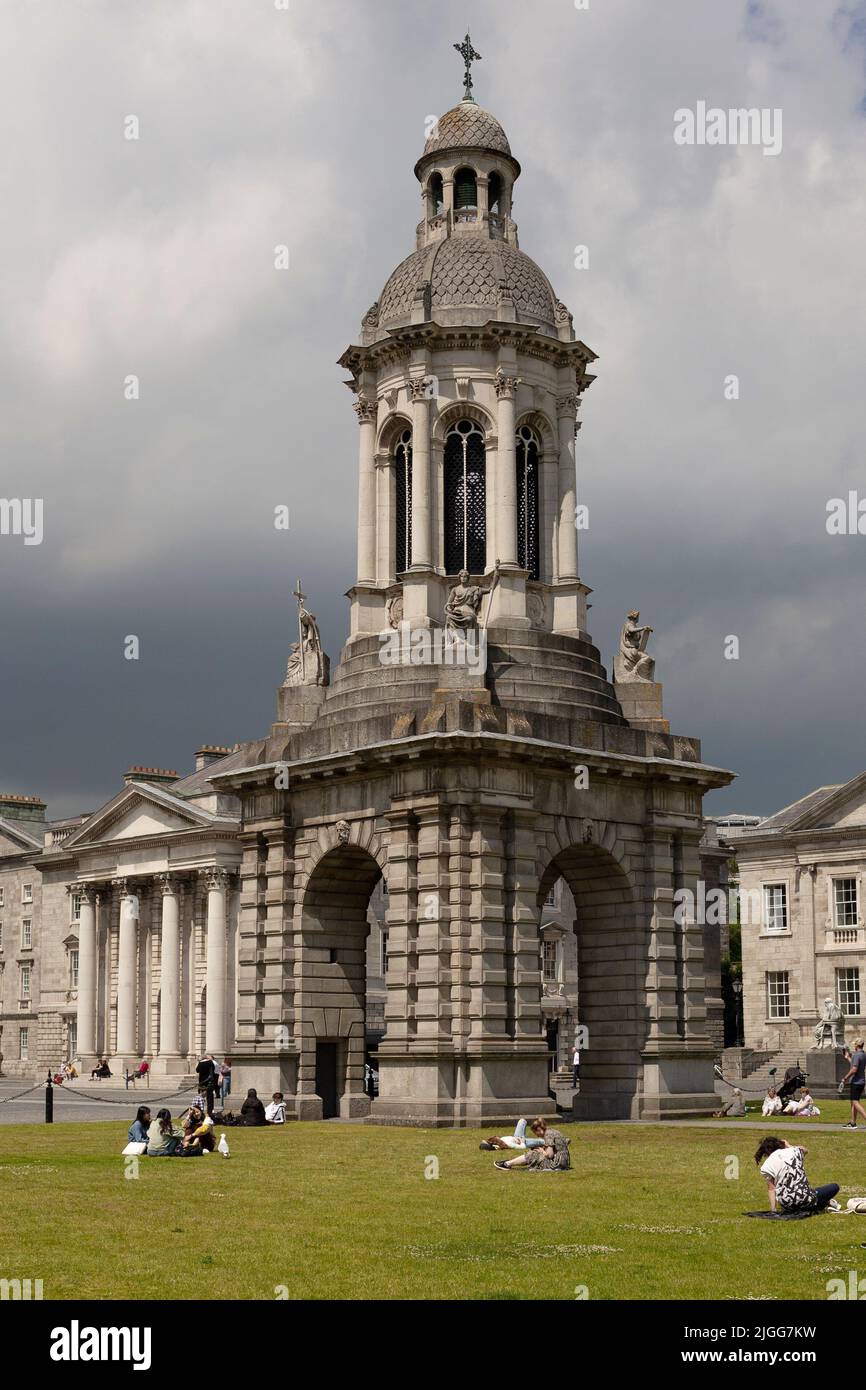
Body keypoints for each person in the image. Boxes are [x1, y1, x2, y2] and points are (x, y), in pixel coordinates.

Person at [755, 1137, 839, 1213]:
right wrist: (789, 1145)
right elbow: (805, 1150)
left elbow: (771, 1189)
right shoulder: (794, 1151)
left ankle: (821, 1204)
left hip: (786, 1203)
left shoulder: (767, 1164)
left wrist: (773, 1210)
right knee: (834, 1187)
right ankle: (825, 1203)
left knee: (811, 1195)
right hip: (805, 1197)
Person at [493, 1118, 571, 1172]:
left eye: (535, 1133)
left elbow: (549, 1155)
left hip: (556, 1164)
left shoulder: (548, 1135)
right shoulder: (553, 1131)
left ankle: (507, 1164)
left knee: (533, 1154)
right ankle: (509, 1163)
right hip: (564, 1162)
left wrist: (541, 1150)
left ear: (539, 1130)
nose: (536, 1135)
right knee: (536, 1152)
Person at [480, 1117, 547, 1152]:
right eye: (487, 1141)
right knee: (542, 1141)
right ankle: (549, 1138)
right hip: (523, 1141)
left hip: (517, 1136)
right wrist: (522, 1141)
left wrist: (515, 1138)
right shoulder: (507, 1144)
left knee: (522, 1121)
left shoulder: (501, 1140)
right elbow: (522, 1147)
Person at [840, 1037, 866, 1128]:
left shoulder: (856, 1055)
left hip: (856, 1081)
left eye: (854, 1044)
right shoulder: (863, 1054)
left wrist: (845, 1078)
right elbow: (855, 1065)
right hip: (862, 1081)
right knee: (853, 1101)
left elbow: (854, 1069)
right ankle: (853, 1122)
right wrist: (848, 1058)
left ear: (856, 1045)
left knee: (855, 1102)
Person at [196, 1053, 217, 1117]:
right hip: (209, 1082)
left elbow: (197, 1070)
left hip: (202, 1082)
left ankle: (200, 1110)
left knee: (202, 1098)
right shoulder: (210, 1062)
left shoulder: (200, 1063)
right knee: (210, 1098)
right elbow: (213, 1070)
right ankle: (209, 1111)